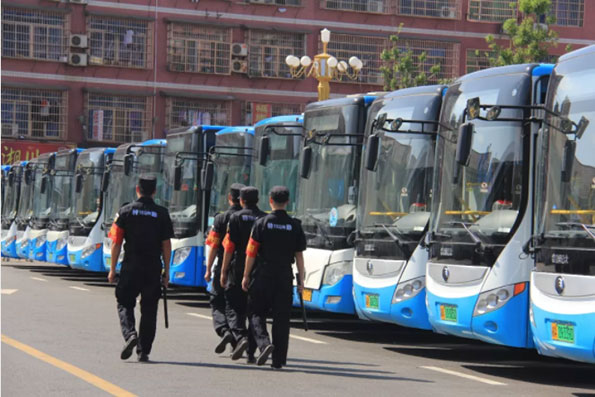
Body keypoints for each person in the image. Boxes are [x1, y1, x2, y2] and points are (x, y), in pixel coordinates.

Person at [108, 175, 173, 362]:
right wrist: (167, 272)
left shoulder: (126, 211)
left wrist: (112, 269)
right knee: (150, 309)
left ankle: (130, 335)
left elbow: (116, 242)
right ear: (154, 191)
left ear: (137, 189)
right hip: (153, 268)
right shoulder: (162, 213)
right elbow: (166, 244)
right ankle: (144, 351)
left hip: (131, 266)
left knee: (124, 302)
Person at [242, 186, 306, 369]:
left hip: (263, 275)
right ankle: (278, 360)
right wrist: (301, 281)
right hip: (284, 277)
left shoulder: (261, 223)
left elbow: (251, 252)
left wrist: (246, 275)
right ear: (287, 202)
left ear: (270, 200)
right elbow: (299, 256)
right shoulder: (295, 225)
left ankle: (264, 344)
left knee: (256, 313)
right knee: (282, 319)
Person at [220, 186, 266, 363]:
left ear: (241, 200)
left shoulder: (235, 218)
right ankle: (251, 354)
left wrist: (223, 271)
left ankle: (240, 337)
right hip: (257, 269)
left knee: (233, 307)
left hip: (237, 267)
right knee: (253, 311)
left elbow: (229, 248)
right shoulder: (263, 218)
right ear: (258, 200)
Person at [204, 183, 245, 354]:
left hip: (223, 265)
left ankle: (224, 330)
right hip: (245, 267)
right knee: (238, 305)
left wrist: (208, 268)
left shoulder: (220, 218)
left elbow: (213, 245)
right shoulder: (253, 217)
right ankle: (238, 340)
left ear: (229, 198)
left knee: (217, 300)